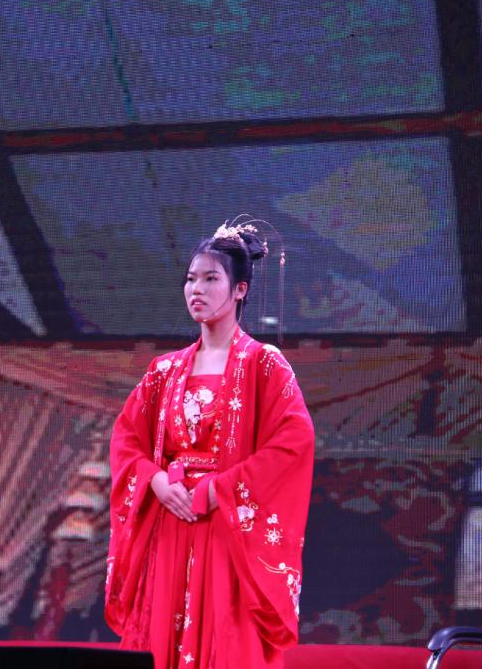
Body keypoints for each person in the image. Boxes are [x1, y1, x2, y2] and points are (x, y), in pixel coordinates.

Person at [105, 221, 314, 668]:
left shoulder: (264, 365)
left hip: (227, 529)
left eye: (210, 278)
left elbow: (292, 444)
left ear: (240, 290)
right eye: (190, 279)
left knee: (226, 640)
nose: (196, 289)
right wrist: (156, 481)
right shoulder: (163, 370)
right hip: (169, 522)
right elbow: (126, 440)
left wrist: (218, 490)